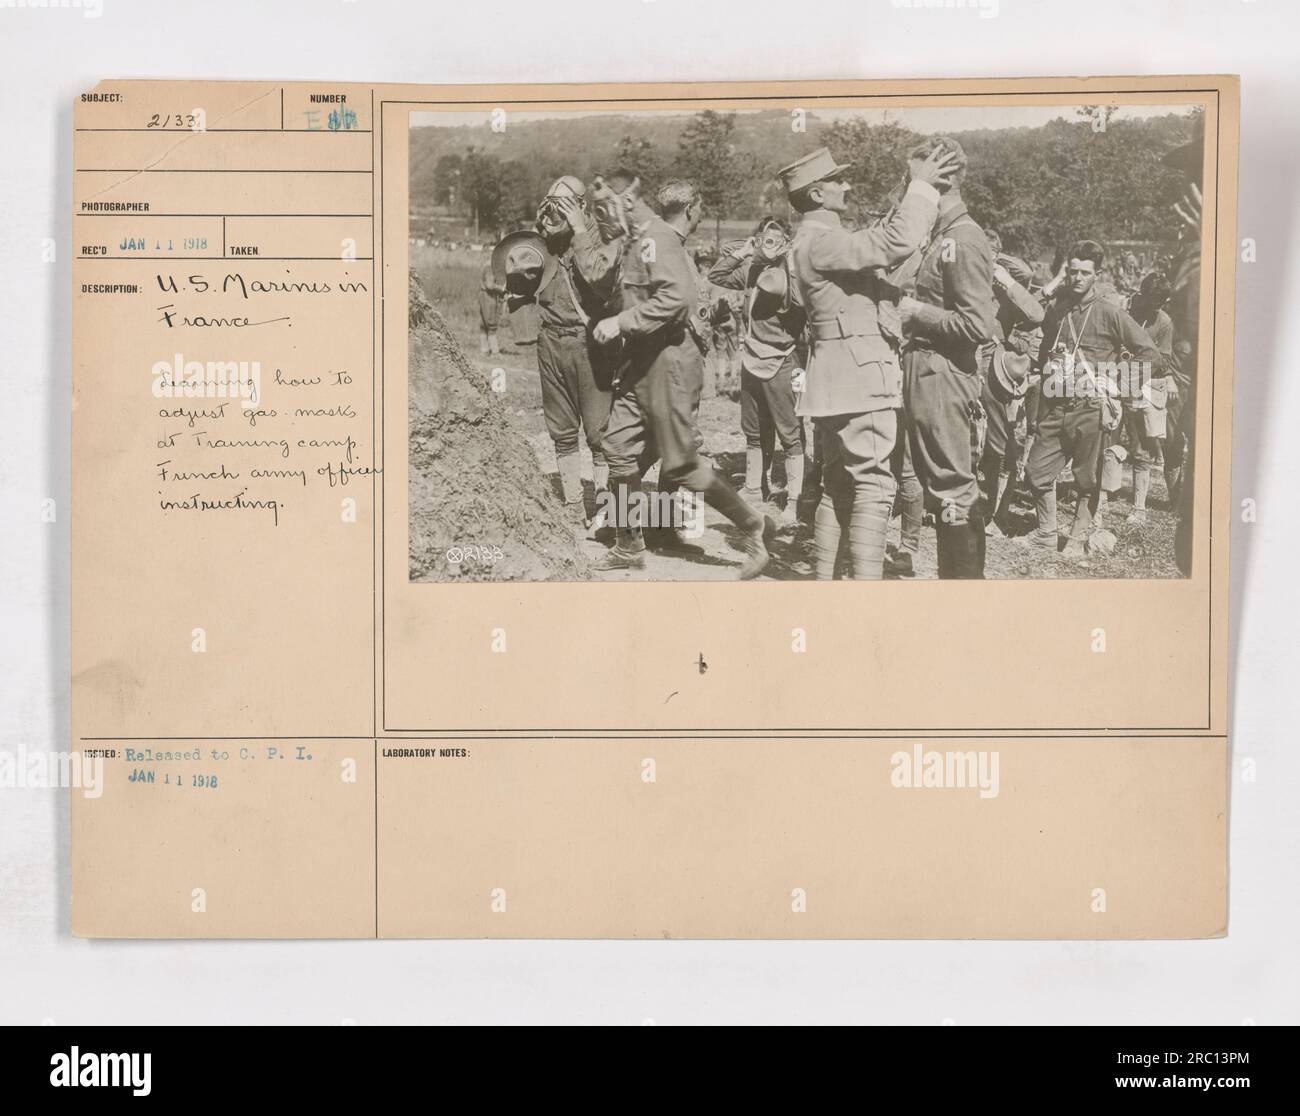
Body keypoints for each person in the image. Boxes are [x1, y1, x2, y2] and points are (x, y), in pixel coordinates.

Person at [781, 144, 957, 580]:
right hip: (861, 379)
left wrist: (905, 192)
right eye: (837, 180)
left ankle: (826, 585)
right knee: (876, 485)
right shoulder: (822, 241)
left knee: (837, 485)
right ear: (817, 195)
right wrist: (921, 188)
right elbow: (893, 242)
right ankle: (865, 595)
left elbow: (873, 251)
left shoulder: (810, 239)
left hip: (833, 378)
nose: (847, 184)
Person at [587, 174, 774, 578]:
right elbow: (628, 236)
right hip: (642, 365)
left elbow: (675, 300)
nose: (602, 216)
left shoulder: (660, 241)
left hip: (668, 366)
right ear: (692, 210)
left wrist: (622, 321)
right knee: (618, 447)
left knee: (681, 464)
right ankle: (629, 542)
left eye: (608, 206)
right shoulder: (645, 235)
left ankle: (754, 526)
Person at [896, 137, 997, 578]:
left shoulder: (964, 239)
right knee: (940, 491)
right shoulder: (939, 237)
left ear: (948, 179)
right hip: (923, 370)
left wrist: (918, 312)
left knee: (953, 488)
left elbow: (977, 325)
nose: (908, 185)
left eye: (916, 176)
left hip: (944, 374)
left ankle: (964, 600)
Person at [1024, 240, 1162, 558]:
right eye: (1072, 271)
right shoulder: (1058, 312)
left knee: (1086, 479)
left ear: (1096, 274)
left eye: (1085, 272)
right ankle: (1045, 533)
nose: (1077, 278)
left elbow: (1150, 354)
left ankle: (1075, 539)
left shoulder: (1110, 313)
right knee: (1036, 472)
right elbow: (1045, 352)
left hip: (1090, 407)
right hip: (1056, 403)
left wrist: (1118, 383)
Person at [708, 216, 807, 525]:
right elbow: (717, 274)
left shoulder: (792, 277)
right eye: (766, 238)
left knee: (790, 435)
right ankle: (754, 486)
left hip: (782, 360)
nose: (769, 244)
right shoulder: (753, 271)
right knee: (753, 431)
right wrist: (745, 251)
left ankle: (794, 499)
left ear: (787, 244)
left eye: (776, 239)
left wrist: (788, 258)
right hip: (751, 359)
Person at [527, 176, 616, 520]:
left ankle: (605, 507)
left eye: (564, 204)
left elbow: (601, 279)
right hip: (550, 339)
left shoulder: (599, 236)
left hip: (587, 341)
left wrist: (578, 229)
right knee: (561, 428)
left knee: (599, 431)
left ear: (581, 205)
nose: (555, 211)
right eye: (551, 203)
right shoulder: (547, 238)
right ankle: (574, 503)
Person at [1119, 271, 1174, 525]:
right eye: (1152, 303)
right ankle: (1097, 495)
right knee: (1103, 440)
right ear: (1140, 295)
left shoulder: (1163, 322)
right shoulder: (1123, 309)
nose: (1155, 309)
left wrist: (1142, 361)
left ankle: (1139, 507)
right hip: (1111, 379)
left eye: (1160, 305)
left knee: (1140, 447)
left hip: (1140, 386)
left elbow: (1164, 361)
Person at [477, 260, 505, 355]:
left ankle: (484, 349)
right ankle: (495, 351)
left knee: (484, 324)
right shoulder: (491, 267)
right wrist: (502, 289)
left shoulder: (486, 264)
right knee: (491, 323)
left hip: (483, 295)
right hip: (488, 297)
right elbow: (490, 285)